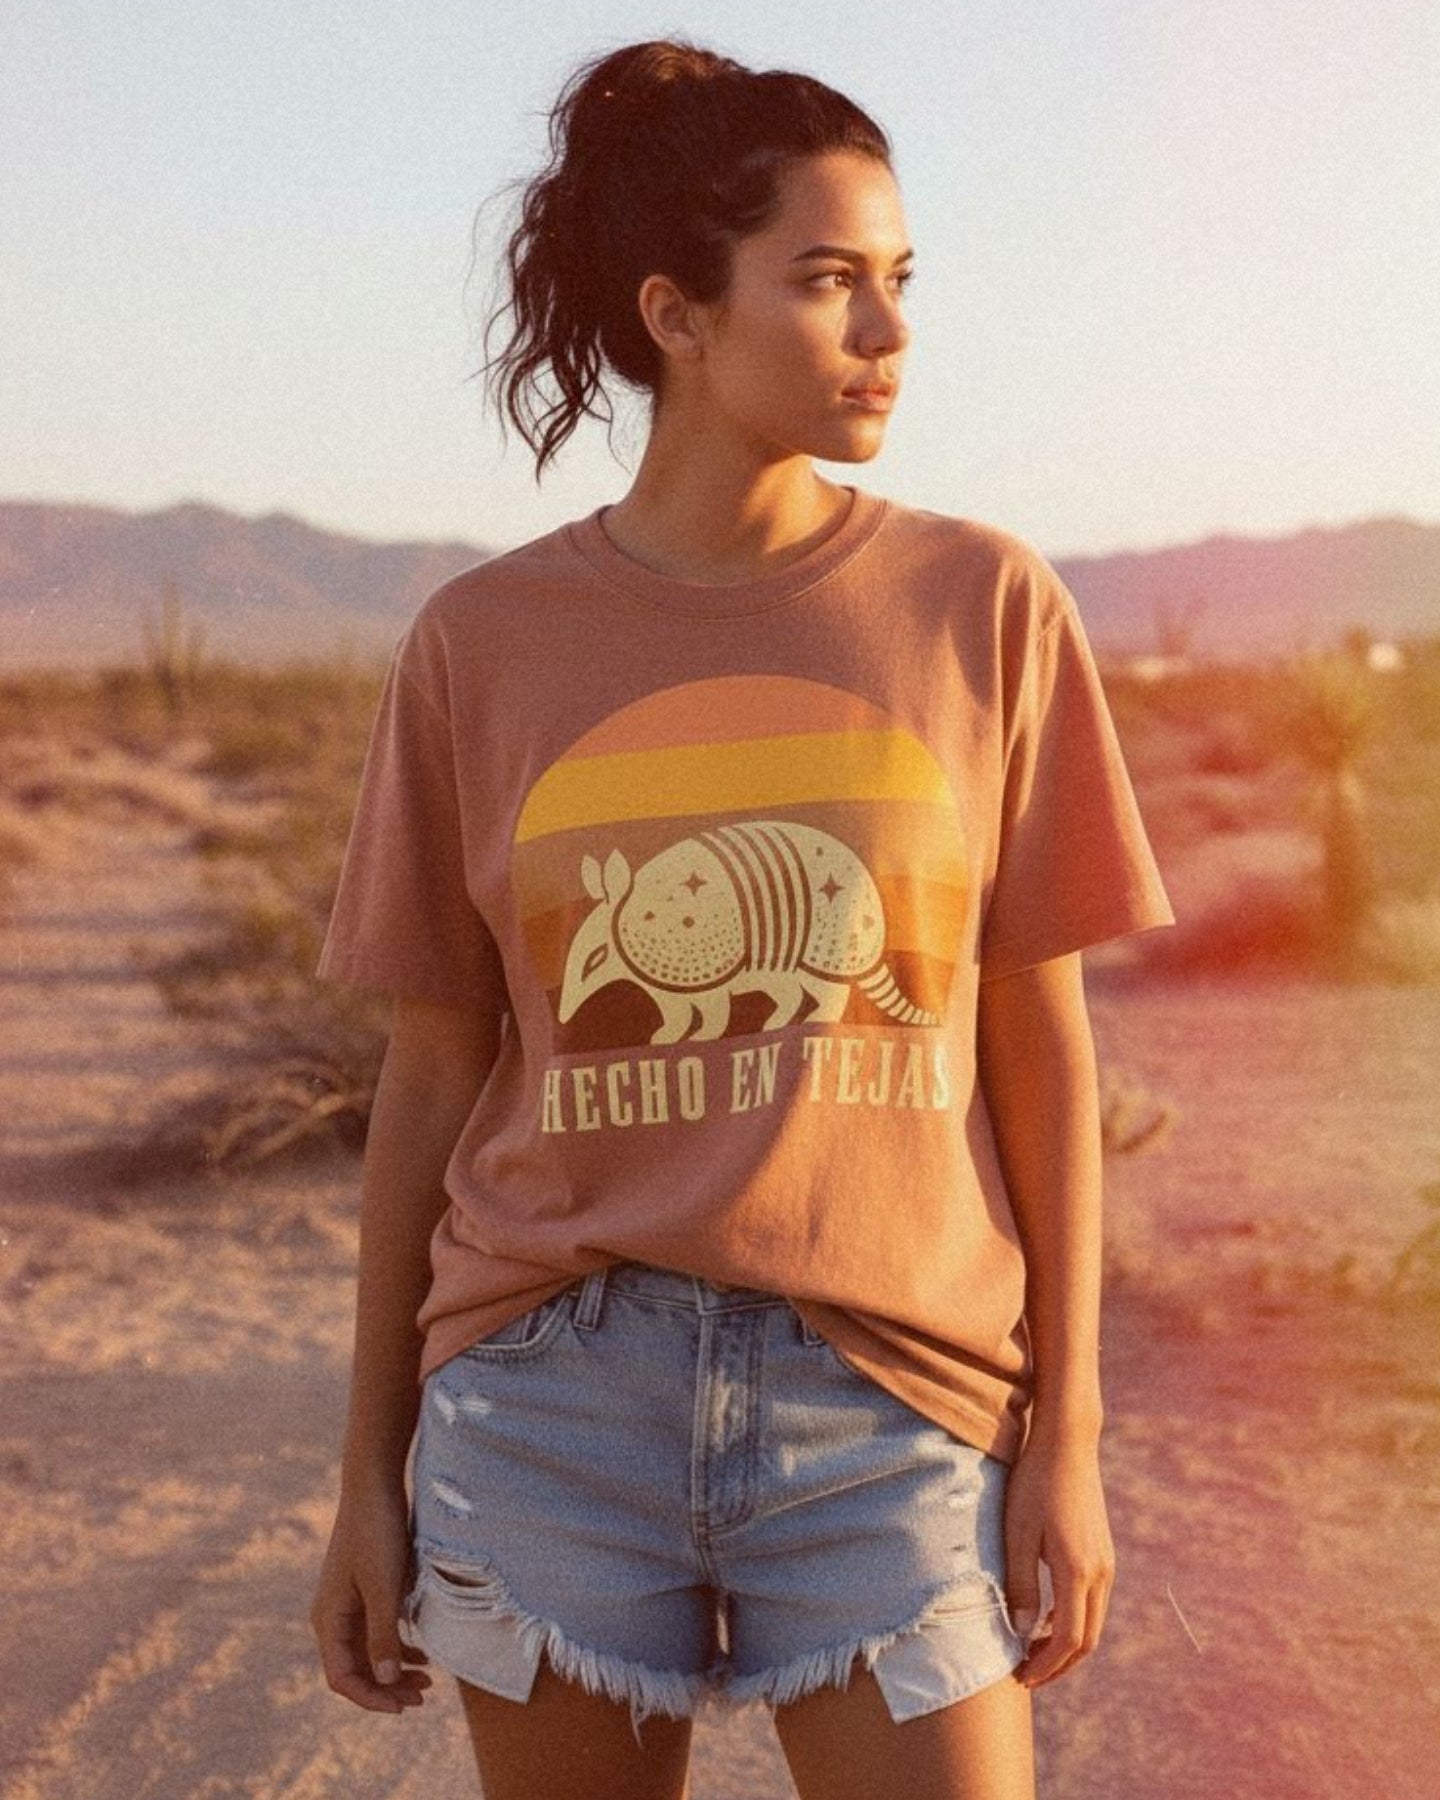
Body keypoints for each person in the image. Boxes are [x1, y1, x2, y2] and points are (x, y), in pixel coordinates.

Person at [308, 36, 1174, 1800]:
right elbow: (434, 1073)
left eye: (902, 279)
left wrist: (1068, 1438)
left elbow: (1042, 1050)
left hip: (893, 1400)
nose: (889, 330)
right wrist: (363, 1479)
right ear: (678, 315)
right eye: (829, 279)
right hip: (550, 1401)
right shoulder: (485, 642)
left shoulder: (984, 606)